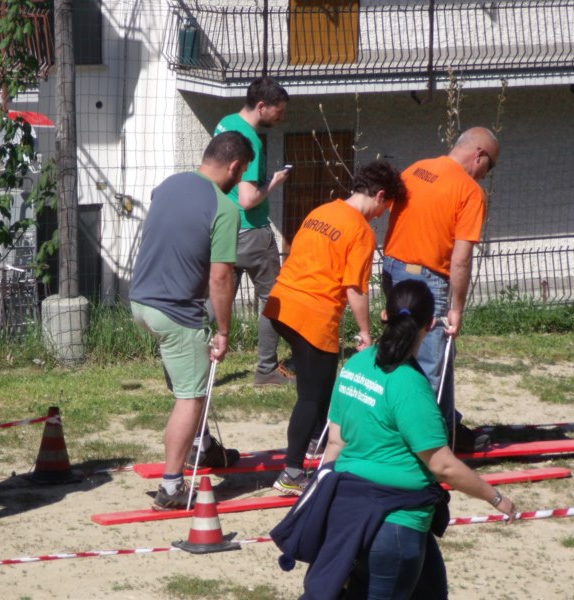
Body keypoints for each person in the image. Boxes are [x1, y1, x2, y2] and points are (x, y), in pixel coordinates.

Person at [272, 279, 517, 599]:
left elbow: (335, 443)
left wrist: (324, 501)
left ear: (383, 316)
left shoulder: (356, 365)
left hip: (350, 513)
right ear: (431, 325)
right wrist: (496, 498)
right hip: (396, 522)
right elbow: (444, 466)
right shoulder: (410, 386)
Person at [263, 160, 407, 495]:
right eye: (386, 206)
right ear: (380, 195)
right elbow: (354, 288)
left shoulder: (322, 211)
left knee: (325, 380)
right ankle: (293, 472)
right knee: (312, 396)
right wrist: (366, 333)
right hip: (313, 313)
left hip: (281, 304)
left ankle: (319, 441)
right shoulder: (360, 231)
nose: (383, 214)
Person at [129, 131, 254, 510]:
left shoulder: (169, 185)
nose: (241, 180)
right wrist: (224, 330)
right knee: (191, 397)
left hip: (141, 302)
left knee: (189, 383)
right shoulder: (226, 209)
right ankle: (171, 488)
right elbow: (221, 277)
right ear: (234, 166)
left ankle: (205, 447)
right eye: (243, 171)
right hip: (176, 312)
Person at [382, 127, 500, 452]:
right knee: (429, 366)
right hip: (427, 279)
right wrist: (457, 309)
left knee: (408, 354)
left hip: (392, 269)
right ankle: (424, 449)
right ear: (479, 155)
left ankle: (447, 429)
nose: (485, 175)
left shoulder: (415, 170)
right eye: (489, 167)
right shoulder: (469, 192)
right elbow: (461, 259)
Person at [214, 76, 293, 386]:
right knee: (272, 300)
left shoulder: (225, 123)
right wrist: (273, 182)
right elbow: (248, 199)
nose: (281, 117)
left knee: (217, 300)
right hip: (253, 233)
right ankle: (266, 369)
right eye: (279, 111)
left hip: (224, 228)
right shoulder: (252, 142)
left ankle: (188, 361)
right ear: (262, 107)